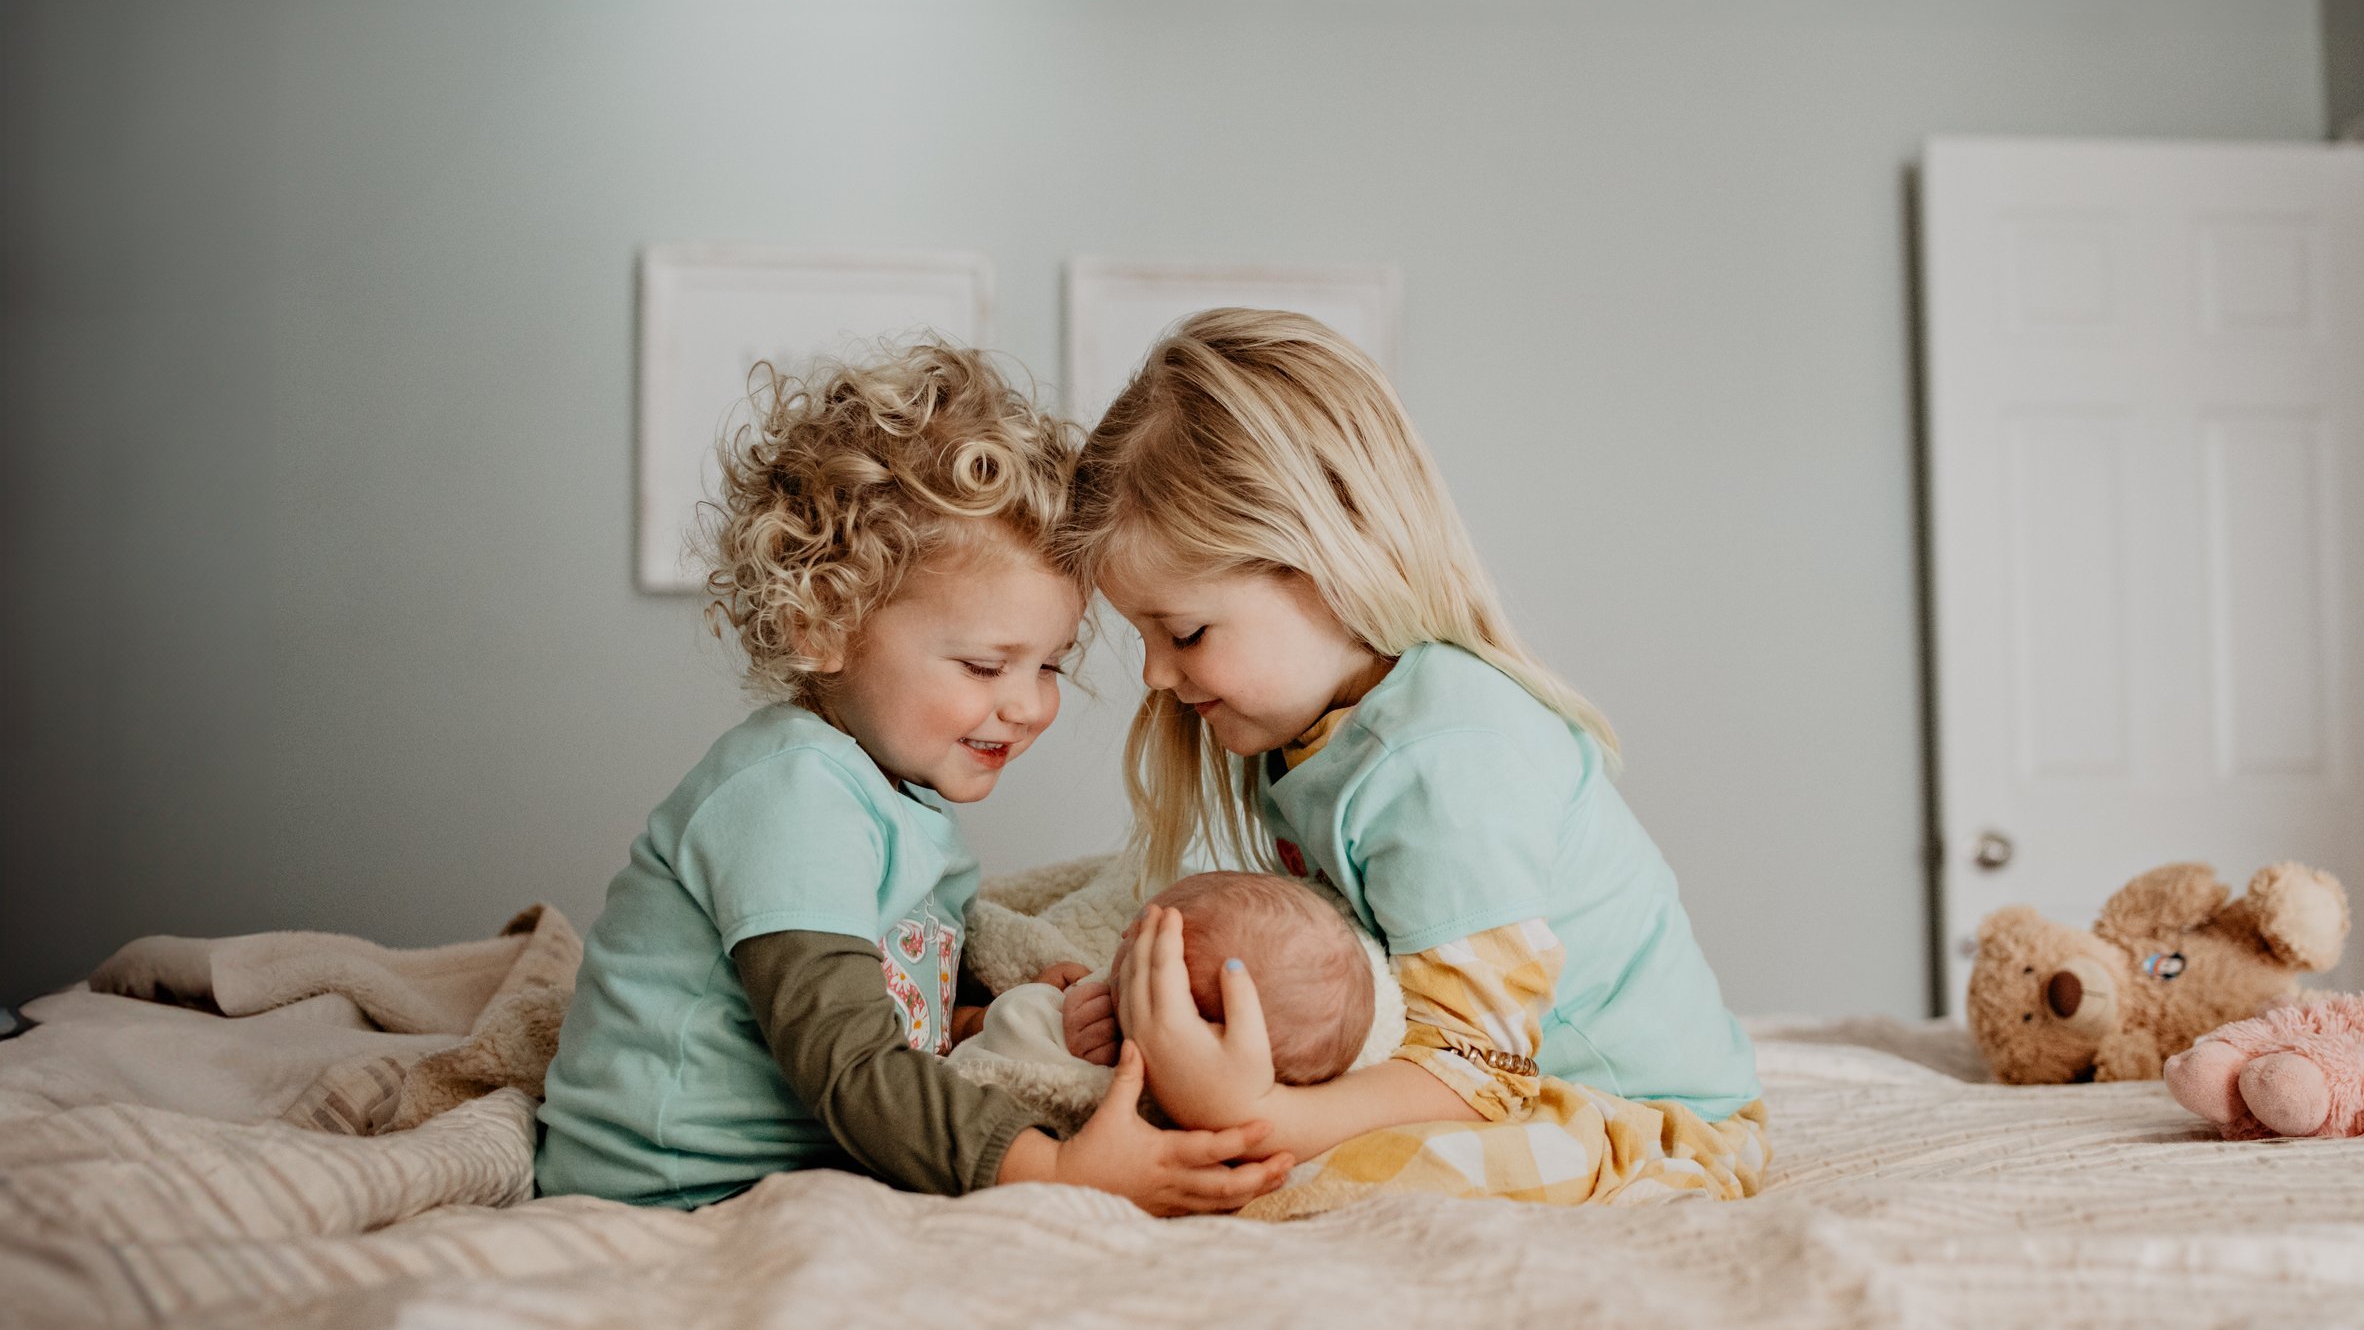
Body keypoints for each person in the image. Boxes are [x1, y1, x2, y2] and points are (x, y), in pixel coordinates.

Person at [534, 343, 1290, 1215]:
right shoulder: (793, 795)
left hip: (810, 1172)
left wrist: (1007, 1015)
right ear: (825, 623)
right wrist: (1055, 1168)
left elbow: (904, 1010)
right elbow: (850, 1061)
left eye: (1050, 664)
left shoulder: (903, 802)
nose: (1028, 705)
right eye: (984, 665)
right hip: (672, 1191)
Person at [1063, 309, 1768, 1215]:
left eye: (1186, 632)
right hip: (1510, 1082)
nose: (1156, 675)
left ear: (1325, 563)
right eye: (1144, 637)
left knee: (1301, 1178)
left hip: (1648, 1122)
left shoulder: (1446, 758)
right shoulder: (1310, 735)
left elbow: (1478, 1067)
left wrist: (1260, 1115)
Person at [968, 869, 1376, 1087]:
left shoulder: (1129, 1062)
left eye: (1143, 944)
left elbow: (1002, 1040)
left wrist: (1046, 1009)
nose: (1124, 936)